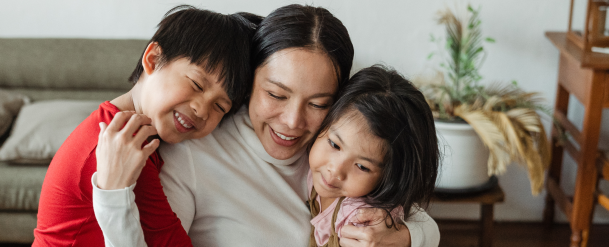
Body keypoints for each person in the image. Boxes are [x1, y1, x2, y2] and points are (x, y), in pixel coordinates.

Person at [93, 4, 440, 247]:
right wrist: (112, 197)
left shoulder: (332, 153)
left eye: (318, 104)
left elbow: (418, 216)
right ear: (248, 84)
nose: (292, 122)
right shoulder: (193, 153)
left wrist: (406, 237)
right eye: (276, 95)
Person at [32, 5, 256, 247]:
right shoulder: (122, 143)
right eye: (196, 85)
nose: (202, 110)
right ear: (153, 59)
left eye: (220, 107)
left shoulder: (141, 132)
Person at [305, 65, 440, 247]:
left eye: (362, 167)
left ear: (389, 178)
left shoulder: (362, 219)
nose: (335, 170)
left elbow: (425, 227)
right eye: (335, 145)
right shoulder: (310, 173)